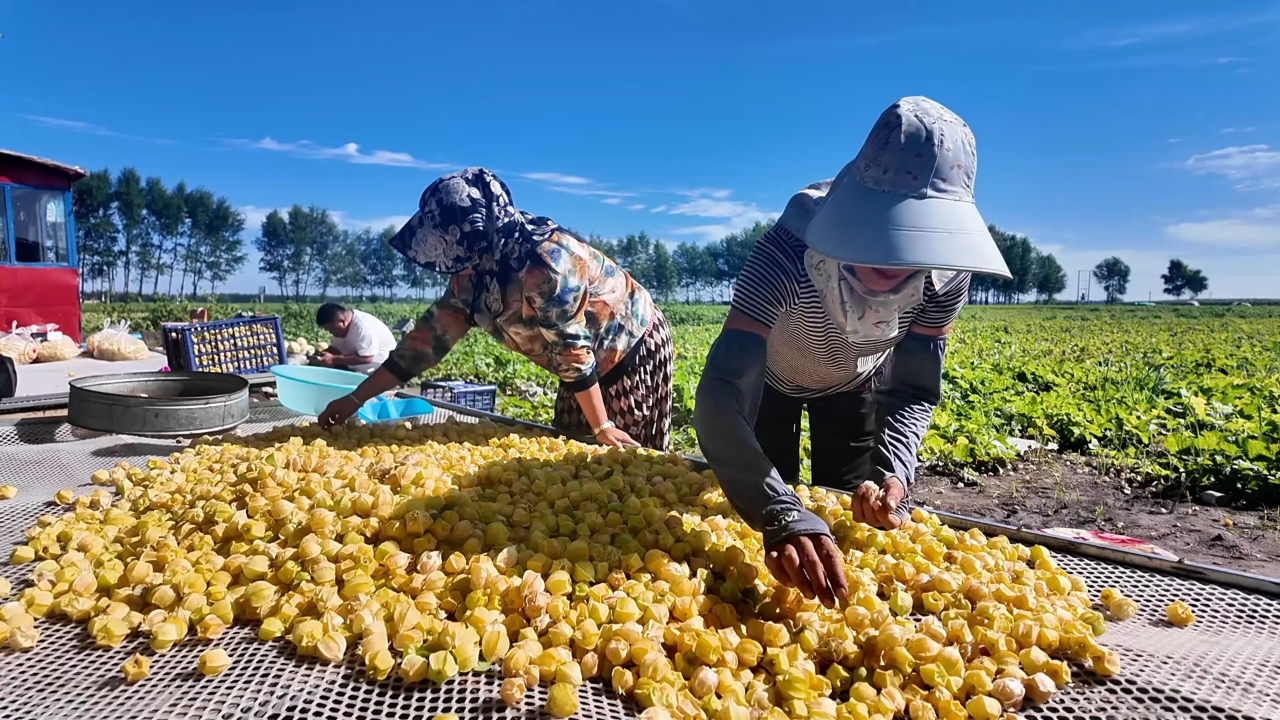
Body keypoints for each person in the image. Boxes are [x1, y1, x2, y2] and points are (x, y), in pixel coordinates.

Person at [693, 97, 1012, 607]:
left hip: (855, 382)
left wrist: (895, 471)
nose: (893, 254)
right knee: (770, 500)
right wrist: (777, 509)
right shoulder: (786, 255)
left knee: (849, 508)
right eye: (883, 224)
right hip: (769, 380)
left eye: (915, 235)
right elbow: (722, 390)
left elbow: (913, 388)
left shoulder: (946, 278)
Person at [318, 168, 673, 451]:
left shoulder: (547, 263)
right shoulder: (471, 279)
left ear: (479, 239)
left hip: (628, 346)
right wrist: (356, 399)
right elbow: (422, 345)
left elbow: (572, 350)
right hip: (578, 363)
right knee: (576, 445)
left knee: (618, 453)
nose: (453, 264)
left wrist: (603, 425)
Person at [313, 303, 398, 374]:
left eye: (331, 330)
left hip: (380, 371)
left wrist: (333, 359)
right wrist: (320, 356)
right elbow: (335, 349)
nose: (331, 333)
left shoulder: (363, 327)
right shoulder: (341, 329)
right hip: (357, 369)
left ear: (342, 322)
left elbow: (366, 359)